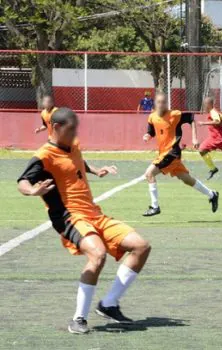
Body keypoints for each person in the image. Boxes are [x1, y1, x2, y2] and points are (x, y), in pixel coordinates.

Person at [17, 107, 151, 334]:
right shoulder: (44, 155)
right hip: (68, 216)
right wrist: (32, 192)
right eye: (70, 130)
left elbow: (78, 162)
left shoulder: (73, 145)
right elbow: (23, 181)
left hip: (93, 214)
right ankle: (78, 319)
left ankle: (109, 304)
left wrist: (96, 170)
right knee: (97, 255)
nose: (74, 134)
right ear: (56, 128)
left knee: (141, 246)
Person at [142, 93, 219, 216]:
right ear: (155, 104)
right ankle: (212, 194)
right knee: (186, 179)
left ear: (167, 103)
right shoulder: (152, 117)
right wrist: (147, 136)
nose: (161, 104)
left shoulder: (174, 115)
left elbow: (191, 118)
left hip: (172, 153)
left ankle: (155, 207)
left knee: (149, 173)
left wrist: (194, 138)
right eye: (159, 102)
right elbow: (151, 131)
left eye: (164, 102)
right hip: (164, 153)